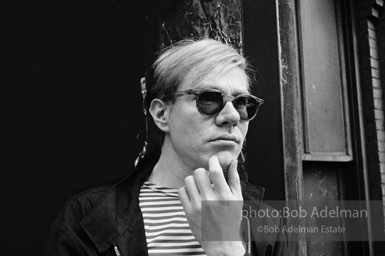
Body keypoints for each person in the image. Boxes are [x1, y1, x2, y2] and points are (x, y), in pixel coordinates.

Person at [45, 39, 287, 255]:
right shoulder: (87, 218)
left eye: (243, 103)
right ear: (161, 113)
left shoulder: (268, 223)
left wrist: (227, 250)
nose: (232, 116)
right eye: (209, 99)